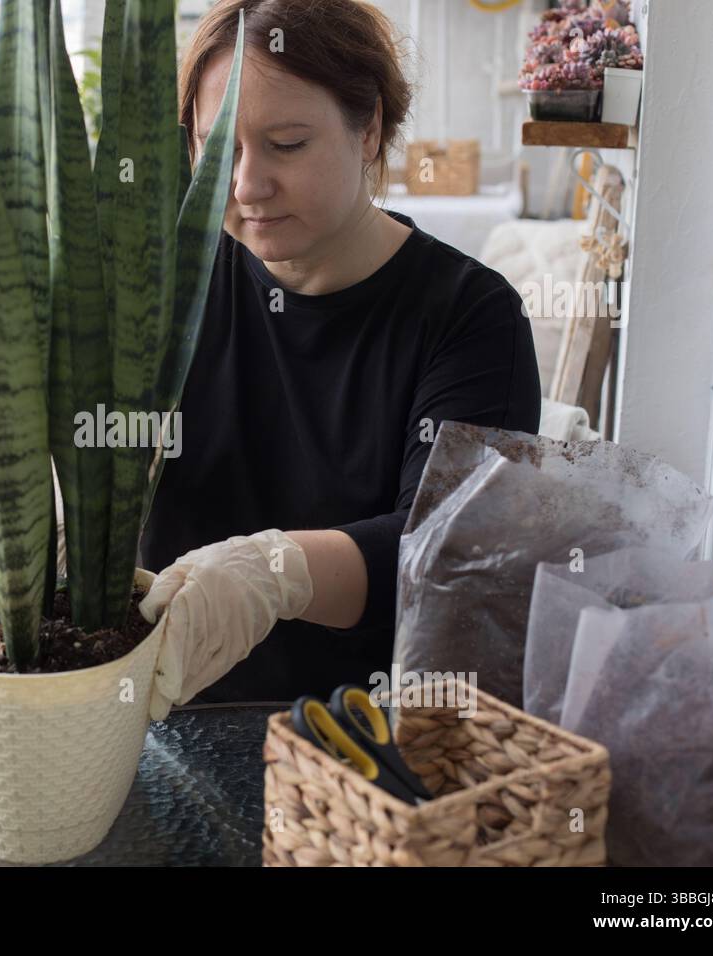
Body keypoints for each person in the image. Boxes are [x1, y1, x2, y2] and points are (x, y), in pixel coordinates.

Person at [137, 0, 542, 720]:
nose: (247, 185)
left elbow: (450, 561)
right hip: (166, 723)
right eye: (217, 147)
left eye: (287, 144)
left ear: (371, 129)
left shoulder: (471, 319)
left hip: (367, 749)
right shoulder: (164, 287)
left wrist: (272, 574)